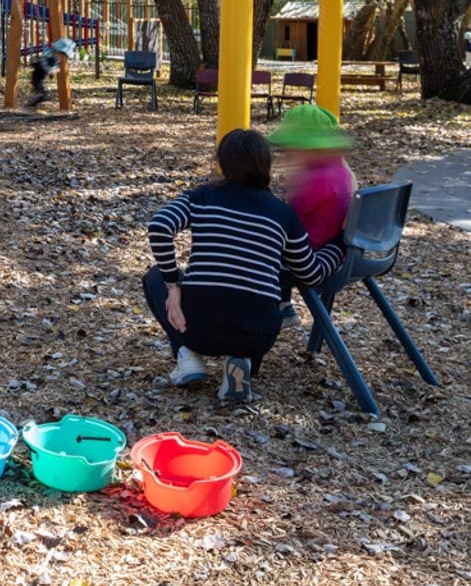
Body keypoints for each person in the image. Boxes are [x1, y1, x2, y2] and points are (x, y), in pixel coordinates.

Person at [143, 129, 345, 401]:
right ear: (266, 164)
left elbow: (159, 227)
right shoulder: (283, 215)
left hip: (197, 327)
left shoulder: (201, 197)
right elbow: (311, 274)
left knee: (155, 277)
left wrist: (173, 286)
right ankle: (241, 364)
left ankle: (187, 354)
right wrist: (339, 246)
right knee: (253, 311)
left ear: (222, 163)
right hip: (257, 333)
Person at [267, 105, 356, 328]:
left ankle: (279, 307)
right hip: (334, 249)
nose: (287, 155)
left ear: (312, 148)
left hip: (312, 254)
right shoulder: (341, 171)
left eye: (292, 149)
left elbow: (289, 219)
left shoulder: (318, 180)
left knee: (264, 246)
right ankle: (283, 304)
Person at [25, 37, 75, 109]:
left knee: (42, 93)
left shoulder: (55, 59)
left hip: (41, 77)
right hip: (36, 77)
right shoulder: (49, 54)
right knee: (41, 93)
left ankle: (31, 102)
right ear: (58, 51)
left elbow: (53, 67)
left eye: (64, 57)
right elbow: (43, 62)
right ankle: (29, 104)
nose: (61, 58)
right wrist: (49, 70)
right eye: (61, 55)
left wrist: (52, 72)